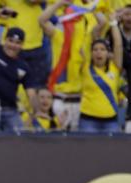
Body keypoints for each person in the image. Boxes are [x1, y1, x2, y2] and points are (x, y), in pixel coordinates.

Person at [39, 0, 91, 131]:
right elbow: (41, 20)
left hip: (79, 99)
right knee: (57, 141)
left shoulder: (86, 41)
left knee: (77, 145)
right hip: (59, 97)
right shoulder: (58, 35)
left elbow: (101, 23)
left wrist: (91, 8)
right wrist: (59, 4)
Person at [79, 16, 123, 133]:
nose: (99, 52)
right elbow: (87, 41)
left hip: (111, 121)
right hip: (88, 119)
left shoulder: (115, 67)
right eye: (95, 49)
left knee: (111, 151)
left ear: (108, 53)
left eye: (102, 49)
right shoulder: (86, 66)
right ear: (91, 53)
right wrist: (91, 9)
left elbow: (118, 45)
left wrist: (113, 23)